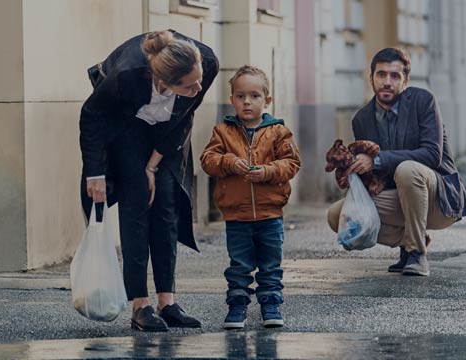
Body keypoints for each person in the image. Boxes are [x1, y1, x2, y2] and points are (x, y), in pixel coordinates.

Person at [79, 30, 219, 331]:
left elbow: (185, 116)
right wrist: (95, 172)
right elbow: (92, 116)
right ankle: (140, 305)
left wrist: (153, 166)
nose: (198, 87)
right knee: (136, 205)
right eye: (189, 84)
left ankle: (167, 302)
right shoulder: (126, 76)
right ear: (163, 83)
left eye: (199, 80)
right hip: (127, 128)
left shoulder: (206, 64)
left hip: (168, 135)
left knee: (167, 209)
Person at [327, 48, 466, 277]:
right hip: (401, 200)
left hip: (439, 198)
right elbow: (375, 177)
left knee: (407, 169)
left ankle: (416, 254)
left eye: (395, 76)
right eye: (381, 74)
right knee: (337, 215)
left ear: (406, 81)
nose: (387, 82)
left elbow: (433, 155)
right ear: (371, 77)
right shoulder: (362, 119)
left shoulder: (423, 102)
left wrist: (377, 160)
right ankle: (412, 239)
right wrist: (351, 167)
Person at [200, 65, 301, 329]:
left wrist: (268, 171)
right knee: (239, 265)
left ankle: (271, 304)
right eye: (241, 96)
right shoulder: (223, 131)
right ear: (232, 99)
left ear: (267, 100)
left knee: (270, 264)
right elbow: (208, 161)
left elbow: (291, 163)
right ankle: (237, 306)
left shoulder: (278, 131)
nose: (247, 102)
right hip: (237, 214)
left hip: (271, 214)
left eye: (254, 96)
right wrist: (230, 162)